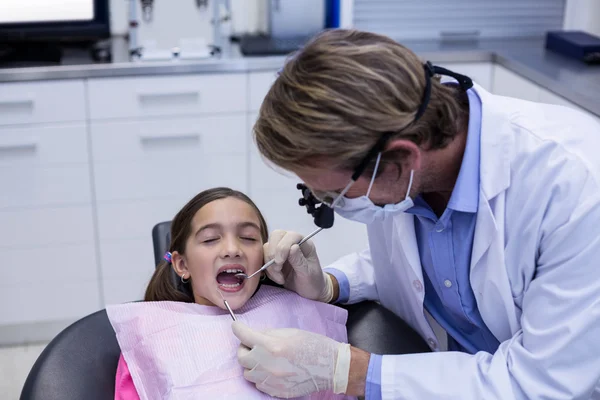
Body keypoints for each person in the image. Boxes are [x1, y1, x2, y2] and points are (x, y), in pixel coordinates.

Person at [230, 28, 600, 399]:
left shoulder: (578, 189)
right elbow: (430, 268)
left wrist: (350, 371)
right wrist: (331, 284)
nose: (330, 204)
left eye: (334, 192)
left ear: (403, 158)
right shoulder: (408, 179)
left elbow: (542, 384)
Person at [110, 187, 354, 399]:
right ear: (182, 265)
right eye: (210, 239)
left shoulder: (299, 312)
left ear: (265, 256)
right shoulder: (151, 339)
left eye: (248, 237)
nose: (232, 249)